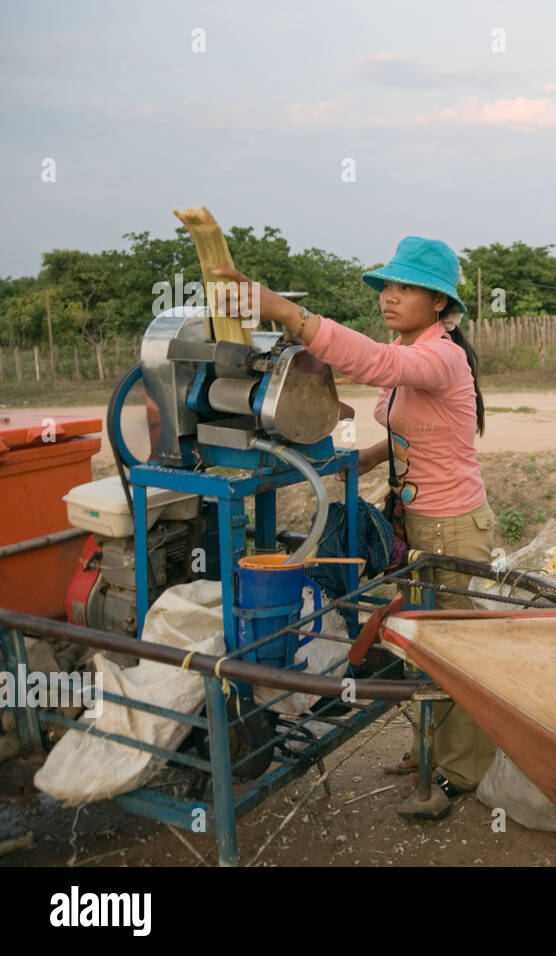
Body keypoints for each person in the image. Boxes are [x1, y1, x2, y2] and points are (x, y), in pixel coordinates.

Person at [213, 236, 498, 803]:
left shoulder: (439, 355)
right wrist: (362, 459)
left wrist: (286, 313)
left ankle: (456, 774)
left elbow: (374, 363)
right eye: (387, 286)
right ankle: (428, 747)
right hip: (417, 519)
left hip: (454, 524)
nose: (390, 296)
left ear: (440, 302)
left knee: (457, 650)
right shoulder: (410, 343)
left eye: (406, 287)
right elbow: (407, 424)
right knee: (418, 640)